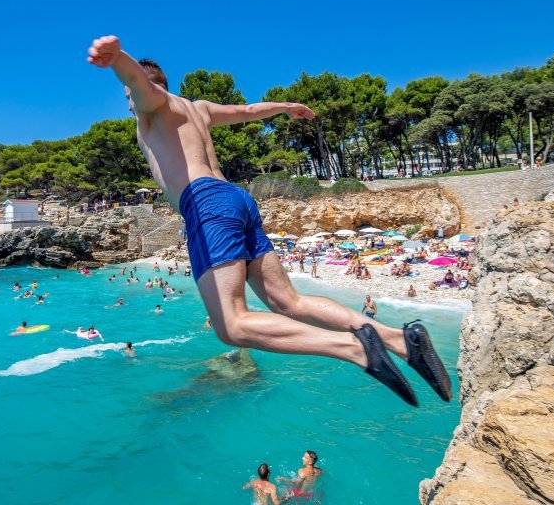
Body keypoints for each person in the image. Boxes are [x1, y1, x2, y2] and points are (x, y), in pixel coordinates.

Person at [88, 35, 453, 406]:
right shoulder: (198, 108)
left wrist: (118, 59)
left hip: (206, 205)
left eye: (129, 94)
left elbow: (137, 82)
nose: (128, 99)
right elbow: (247, 112)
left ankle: (356, 349)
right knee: (288, 300)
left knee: (232, 325)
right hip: (236, 199)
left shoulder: (153, 106)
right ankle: (400, 340)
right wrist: (286, 106)